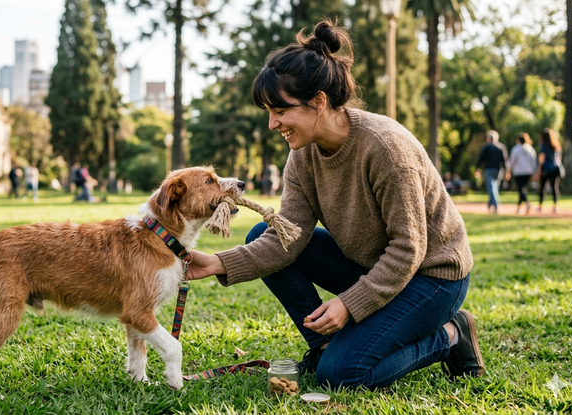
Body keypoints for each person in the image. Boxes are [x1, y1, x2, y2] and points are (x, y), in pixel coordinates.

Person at [185, 19, 482, 390]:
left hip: (432, 277)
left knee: (343, 375)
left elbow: (409, 250)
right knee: (265, 231)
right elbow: (286, 237)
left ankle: (452, 336)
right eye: (268, 112)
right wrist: (217, 263)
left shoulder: (386, 149)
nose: (272, 123)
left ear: (319, 102)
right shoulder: (302, 156)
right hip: (375, 267)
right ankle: (324, 345)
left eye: (280, 110)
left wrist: (349, 304)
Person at [474, 130, 510, 213]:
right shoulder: (501, 147)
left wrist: (477, 169)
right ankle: (490, 205)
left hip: (488, 170)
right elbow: (505, 160)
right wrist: (507, 171)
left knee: (492, 187)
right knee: (494, 187)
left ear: (488, 138)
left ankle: (496, 205)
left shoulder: (486, 147)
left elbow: (480, 159)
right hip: (498, 170)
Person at [508, 132, 538, 214]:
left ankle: (527, 203)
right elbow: (534, 161)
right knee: (522, 189)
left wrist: (508, 170)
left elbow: (512, 161)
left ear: (518, 140)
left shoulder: (516, 149)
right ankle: (518, 207)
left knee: (520, 189)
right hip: (528, 171)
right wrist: (534, 172)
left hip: (518, 172)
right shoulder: (530, 149)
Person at [536, 128, 564, 214]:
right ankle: (555, 206)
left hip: (546, 169)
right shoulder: (556, 145)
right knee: (554, 187)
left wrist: (539, 168)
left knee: (542, 187)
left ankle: (540, 206)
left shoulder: (543, 145)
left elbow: (541, 158)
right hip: (555, 168)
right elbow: (559, 157)